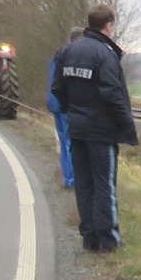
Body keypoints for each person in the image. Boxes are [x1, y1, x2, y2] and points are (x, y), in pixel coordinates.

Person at [52, 5, 139, 252]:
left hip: (76, 128)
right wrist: (126, 124)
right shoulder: (105, 54)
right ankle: (109, 239)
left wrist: (74, 110)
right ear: (109, 25)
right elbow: (112, 94)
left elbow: (58, 88)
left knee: (84, 183)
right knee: (105, 185)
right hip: (101, 131)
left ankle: (89, 237)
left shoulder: (67, 52)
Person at [46, 28, 83, 188]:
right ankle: (72, 179)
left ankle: (67, 178)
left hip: (54, 103)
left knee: (63, 141)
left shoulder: (57, 55)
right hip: (65, 105)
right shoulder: (72, 56)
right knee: (70, 143)